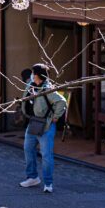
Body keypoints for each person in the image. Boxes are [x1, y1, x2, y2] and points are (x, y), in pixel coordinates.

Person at [19, 63, 68, 193]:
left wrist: (55, 117)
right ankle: (32, 177)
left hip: (45, 125)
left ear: (37, 75)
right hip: (33, 123)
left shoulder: (48, 89)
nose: (31, 75)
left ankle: (48, 183)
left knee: (46, 154)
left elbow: (62, 101)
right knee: (28, 149)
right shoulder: (30, 85)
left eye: (33, 73)